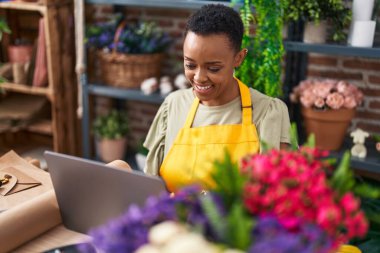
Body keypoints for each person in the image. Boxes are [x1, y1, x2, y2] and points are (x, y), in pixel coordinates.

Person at [142, 4, 290, 192]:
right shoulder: (173, 105)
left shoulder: (267, 112)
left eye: (213, 68)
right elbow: (151, 185)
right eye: (190, 65)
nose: (199, 77)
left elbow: (280, 194)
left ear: (239, 58)